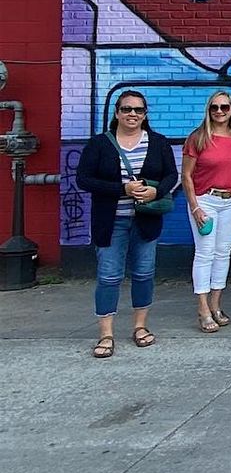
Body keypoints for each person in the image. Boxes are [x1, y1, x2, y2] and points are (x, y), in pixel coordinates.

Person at [77, 90, 178, 357]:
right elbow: (83, 179)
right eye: (127, 109)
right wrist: (122, 189)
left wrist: (156, 192)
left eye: (138, 110)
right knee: (109, 276)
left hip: (146, 221)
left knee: (144, 273)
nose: (132, 114)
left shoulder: (158, 142)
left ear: (145, 114)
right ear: (117, 113)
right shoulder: (100, 143)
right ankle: (106, 334)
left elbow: (171, 175)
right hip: (111, 222)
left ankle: (140, 326)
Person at [181, 90, 231, 333]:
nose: (219, 111)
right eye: (214, 107)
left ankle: (216, 304)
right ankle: (203, 308)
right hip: (205, 200)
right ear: (208, 110)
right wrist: (194, 206)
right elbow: (186, 175)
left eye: (224, 107)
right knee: (205, 252)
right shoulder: (198, 138)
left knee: (223, 252)